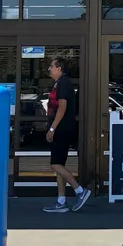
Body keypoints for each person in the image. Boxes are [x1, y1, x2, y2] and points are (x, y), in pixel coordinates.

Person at [43, 56, 91, 213]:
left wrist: (52, 129)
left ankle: (79, 191)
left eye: (52, 66)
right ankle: (61, 201)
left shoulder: (63, 83)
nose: (49, 69)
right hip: (61, 129)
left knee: (55, 164)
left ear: (59, 68)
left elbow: (62, 107)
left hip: (62, 129)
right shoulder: (59, 83)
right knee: (59, 166)